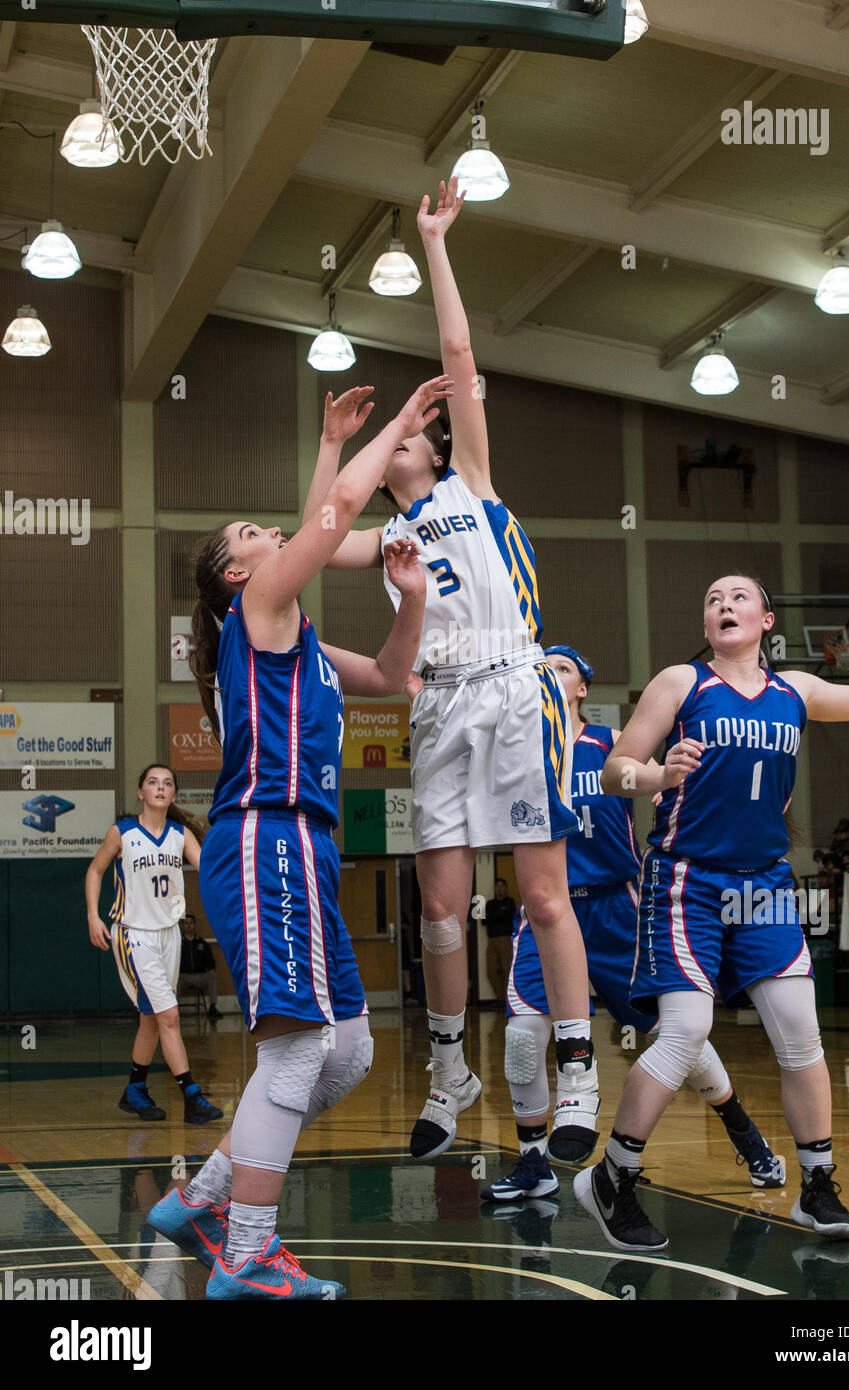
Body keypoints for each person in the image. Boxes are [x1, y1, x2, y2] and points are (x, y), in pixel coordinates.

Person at [145, 375, 447, 1301]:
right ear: (236, 575)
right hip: (263, 837)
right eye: (249, 536)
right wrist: (395, 429)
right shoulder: (258, 611)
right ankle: (246, 1249)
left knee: (347, 1049)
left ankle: (201, 1200)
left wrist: (407, 597)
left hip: (306, 848)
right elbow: (333, 514)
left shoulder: (302, 638)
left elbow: (397, 675)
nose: (267, 532)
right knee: (294, 1052)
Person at [311, 179, 595, 1161]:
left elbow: (462, 355)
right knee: (438, 905)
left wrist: (434, 242)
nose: (409, 435)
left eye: (414, 426)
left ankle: (576, 1066)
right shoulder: (385, 531)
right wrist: (335, 443)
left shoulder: (471, 482)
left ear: (435, 439)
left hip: (514, 685)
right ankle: (448, 1068)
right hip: (439, 704)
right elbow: (315, 532)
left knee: (543, 891)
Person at [574, 578, 849, 1252]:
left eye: (738, 597)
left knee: (800, 1034)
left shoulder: (795, 690)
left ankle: (817, 1185)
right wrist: (656, 777)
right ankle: (613, 1176)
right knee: (685, 1030)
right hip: (687, 879)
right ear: (706, 623)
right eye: (711, 599)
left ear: (766, 620)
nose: (723, 605)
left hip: (764, 883)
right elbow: (616, 767)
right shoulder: (682, 683)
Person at [481, 644, 786, 1203]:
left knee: (675, 1034)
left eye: (563, 668)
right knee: (523, 1037)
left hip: (614, 907)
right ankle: (532, 1161)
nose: (549, 675)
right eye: (540, 669)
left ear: (580, 690)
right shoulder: (519, 752)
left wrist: (663, 774)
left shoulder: (607, 745)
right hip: (546, 908)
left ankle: (745, 1131)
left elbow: (646, 778)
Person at [86, 764, 223, 1126]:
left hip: (169, 934)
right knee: (170, 1016)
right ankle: (192, 1097)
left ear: (174, 795)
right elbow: (95, 870)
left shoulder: (180, 835)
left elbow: (209, 868)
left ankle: (135, 1089)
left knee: (151, 1018)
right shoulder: (123, 832)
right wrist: (93, 916)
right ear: (141, 792)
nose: (160, 788)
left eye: (167, 784)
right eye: (153, 782)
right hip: (134, 934)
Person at [178, 913, 221, 1020]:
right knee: (173, 981)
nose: (189, 926)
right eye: (186, 923)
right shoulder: (177, 943)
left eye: (191, 923)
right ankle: (174, 1009)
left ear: (194, 925)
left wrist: (212, 970)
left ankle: (212, 1007)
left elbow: (210, 960)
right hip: (182, 976)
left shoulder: (202, 943)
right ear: (182, 925)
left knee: (213, 977)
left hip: (199, 976)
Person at [484, 878, 516, 1004]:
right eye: (497, 886)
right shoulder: (489, 904)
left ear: (506, 888)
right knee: (491, 971)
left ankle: (509, 999)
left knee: (507, 969)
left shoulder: (510, 902)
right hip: (492, 940)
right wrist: (500, 913)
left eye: (502, 886)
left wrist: (496, 915)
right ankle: (500, 997)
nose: (500, 889)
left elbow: (510, 916)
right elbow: (485, 921)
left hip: (506, 939)